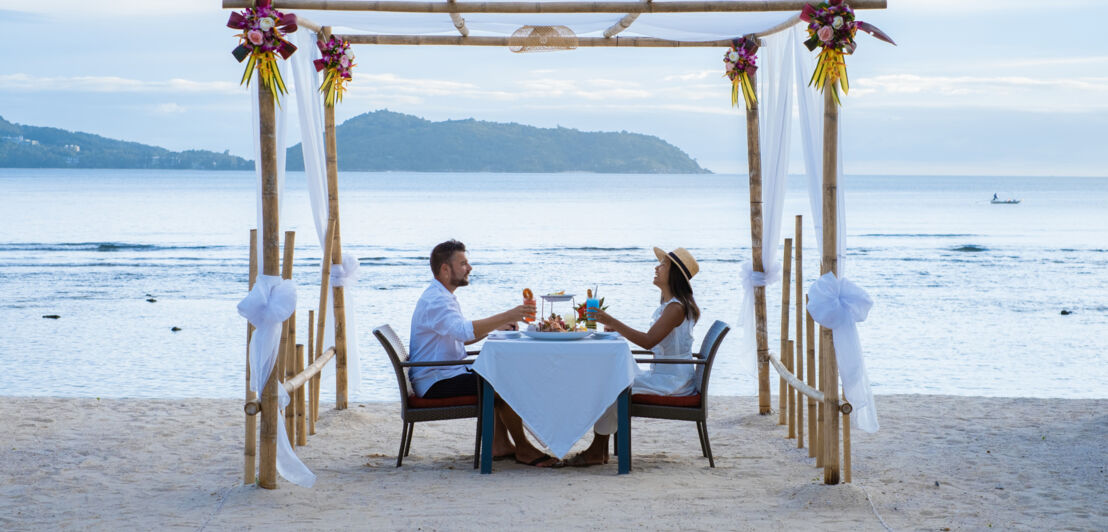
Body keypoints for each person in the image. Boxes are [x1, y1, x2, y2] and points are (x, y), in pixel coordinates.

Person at [409, 239, 560, 467]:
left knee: (499, 374)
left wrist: (496, 327)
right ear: (445, 269)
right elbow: (462, 331)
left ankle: (499, 444)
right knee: (505, 382)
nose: (469, 268)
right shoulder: (436, 300)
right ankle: (523, 448)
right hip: (435, 381)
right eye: (463, 263)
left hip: (441, 373)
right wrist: (509, 316)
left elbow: (462, 335)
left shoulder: (441, 296)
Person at [567, 246, 701, 467]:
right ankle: (598, 449)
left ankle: (597, 450)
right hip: (667, 375)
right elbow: (655, 342)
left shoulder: (675, 308)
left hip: (673, 383)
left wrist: (610, 321)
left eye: (663, 264)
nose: (657, 268)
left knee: (612, 384)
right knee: (610, 380)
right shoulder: (671, 306)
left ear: (675, 274)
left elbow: (649, 341)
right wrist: (617, 330)